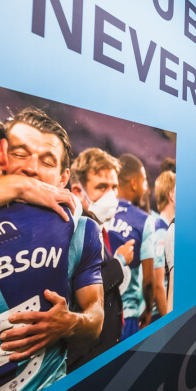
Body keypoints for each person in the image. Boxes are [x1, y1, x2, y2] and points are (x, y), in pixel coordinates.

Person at [0, 101, 104, 391]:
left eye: (47, 161)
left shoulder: (79, 229)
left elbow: (96, 315)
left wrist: (71, 323)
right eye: (19, 153)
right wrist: (18, 187)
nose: (31, 169)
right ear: (0, 155)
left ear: (63, 178)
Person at [67, 148, 135, 371]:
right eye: (101, 187)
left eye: (114, 187)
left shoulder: (97, 226)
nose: (111, 195)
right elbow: (81, 291)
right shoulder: (73, 229)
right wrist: (120, 262)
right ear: (78, 191)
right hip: (86, 354)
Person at [107, 154, 155, 339]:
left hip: (100, 314)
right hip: (128, 315)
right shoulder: (144, 221)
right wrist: (149, 309)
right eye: (144, 181)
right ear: (134, 183)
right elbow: (149, 280)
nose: (145, 188)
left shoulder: (96, 211)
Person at [151, 170, 176, 320]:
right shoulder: (161, 230)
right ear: (172, 195)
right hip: (161, 314)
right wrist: (167, 321)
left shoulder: (164, 226)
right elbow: (158, 284)